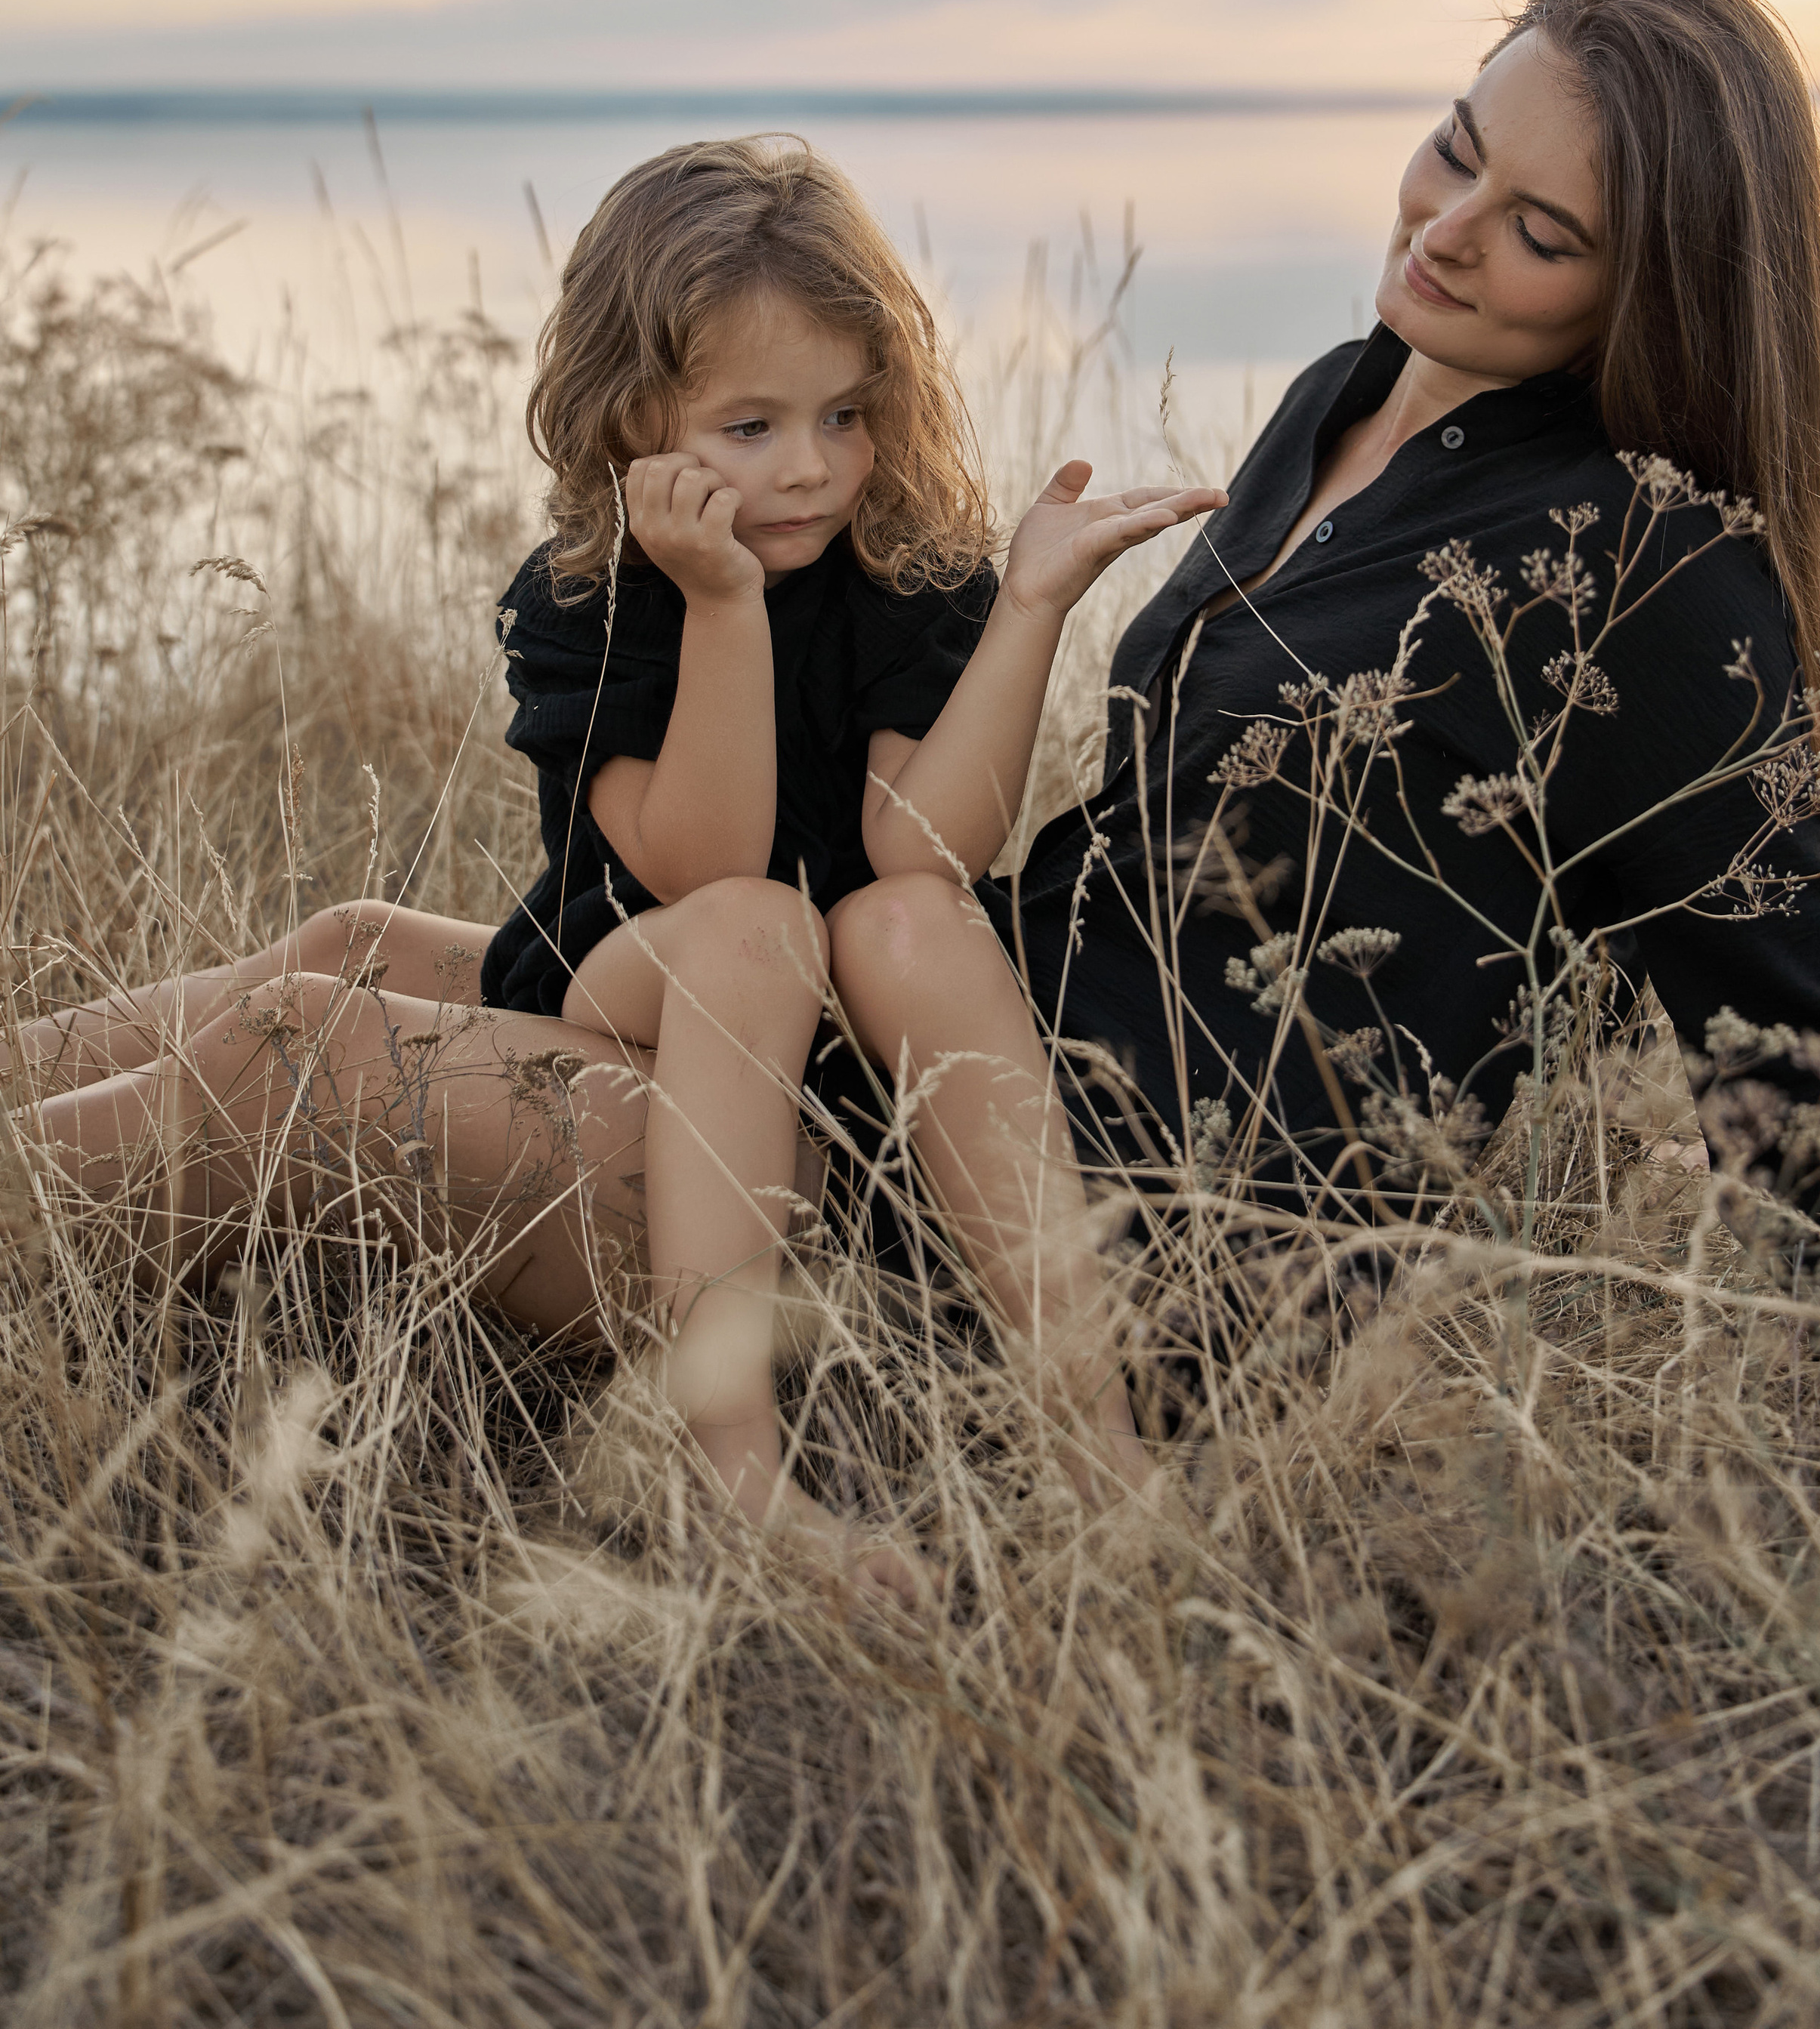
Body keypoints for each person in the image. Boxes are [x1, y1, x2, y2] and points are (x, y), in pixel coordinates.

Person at [9, 137, 1224, 1590]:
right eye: (751, 426)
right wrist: (719, 603)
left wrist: (1029, 606)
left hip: (819, 995)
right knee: (718, 926)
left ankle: (1085, 1434)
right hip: (631, 968)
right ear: (635, 417)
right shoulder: (596, 594)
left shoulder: (915, 573)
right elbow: (700, 865)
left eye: (847, 413)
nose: (814, 468)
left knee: (888, 918)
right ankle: (728, 1467)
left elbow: (927, 851)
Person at [831, 0, 1820, 1309]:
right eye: (1454, 152)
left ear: (1649, 294)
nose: (1446, 229)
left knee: (503, 1084)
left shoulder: (1645, 570)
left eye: (1542, 234)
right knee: (516, 981)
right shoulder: (1337, 399)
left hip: (1099, 1237)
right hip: (963, 1038)